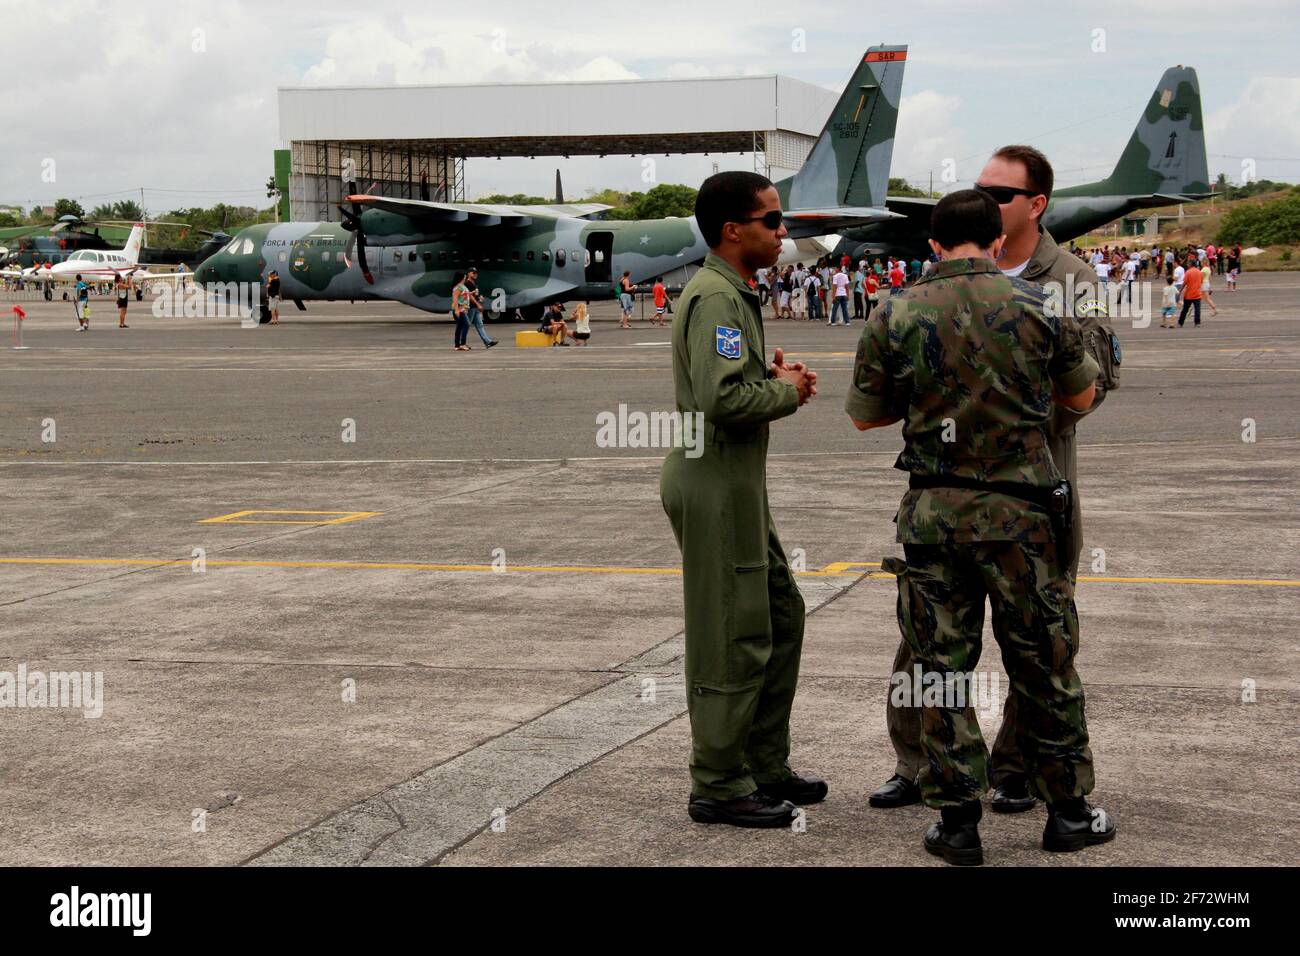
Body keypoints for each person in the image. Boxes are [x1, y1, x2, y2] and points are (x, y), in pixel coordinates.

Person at [846, 188, 1114, 865]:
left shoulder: (894, 310)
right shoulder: (1039, 308)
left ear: (933, 244)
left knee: (939, 669)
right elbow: (1081, 395)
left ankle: (958, 823)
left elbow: (865, 414)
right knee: (1043, 663)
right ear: (998, 242)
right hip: (1024, 515)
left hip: (937, 515)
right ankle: (1070, 814)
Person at [660, 170, 822, 829]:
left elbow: (729, 384)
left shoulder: (732, 294)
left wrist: (770, 377)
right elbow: (721, 399)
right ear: (735, 230)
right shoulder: (718, 298)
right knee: (732, 631)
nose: (784, 232)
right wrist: (786, 391)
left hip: (736, 482)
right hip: (715, 482)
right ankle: (720, 783)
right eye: (774, 221)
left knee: (781, 614)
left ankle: (760, 762)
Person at [462, 268, 498, 349]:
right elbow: (469, 296)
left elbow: (474, 295)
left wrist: (479, 298)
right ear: (468, 273)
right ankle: (461, 343)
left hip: (475, 307)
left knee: (480, 325)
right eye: (473, 273)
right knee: (466, 325)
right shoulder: (467, 283)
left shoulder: (473, 283)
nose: (475, 274)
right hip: (471, 307)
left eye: (476, 273)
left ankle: (488, 342)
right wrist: (478, 304)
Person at [1177, 255, 1204, 327]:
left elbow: (1184, 283)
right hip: (1197, 294)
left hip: (1189, 294)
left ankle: (1180, 323)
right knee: (1197, 310)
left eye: (1188, 264)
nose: (1187, 265)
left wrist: (1180, 291)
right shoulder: (1199, 272)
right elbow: (1201, 282)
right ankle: (1197, 323)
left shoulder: (1188, 272)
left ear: (1191, 264)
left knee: (1185, 310)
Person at [450, 272, 471, 351]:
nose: (465, 277)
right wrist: (456, 310)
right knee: (467, 324)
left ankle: (457, 345)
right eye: (465, 276)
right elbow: (455, 298)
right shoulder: (458, 287)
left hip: (464, 309)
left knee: (459, 327)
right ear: (462, 277)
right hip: (460, 309)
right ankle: (462, 344)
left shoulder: (462, 286)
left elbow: (464, 295)